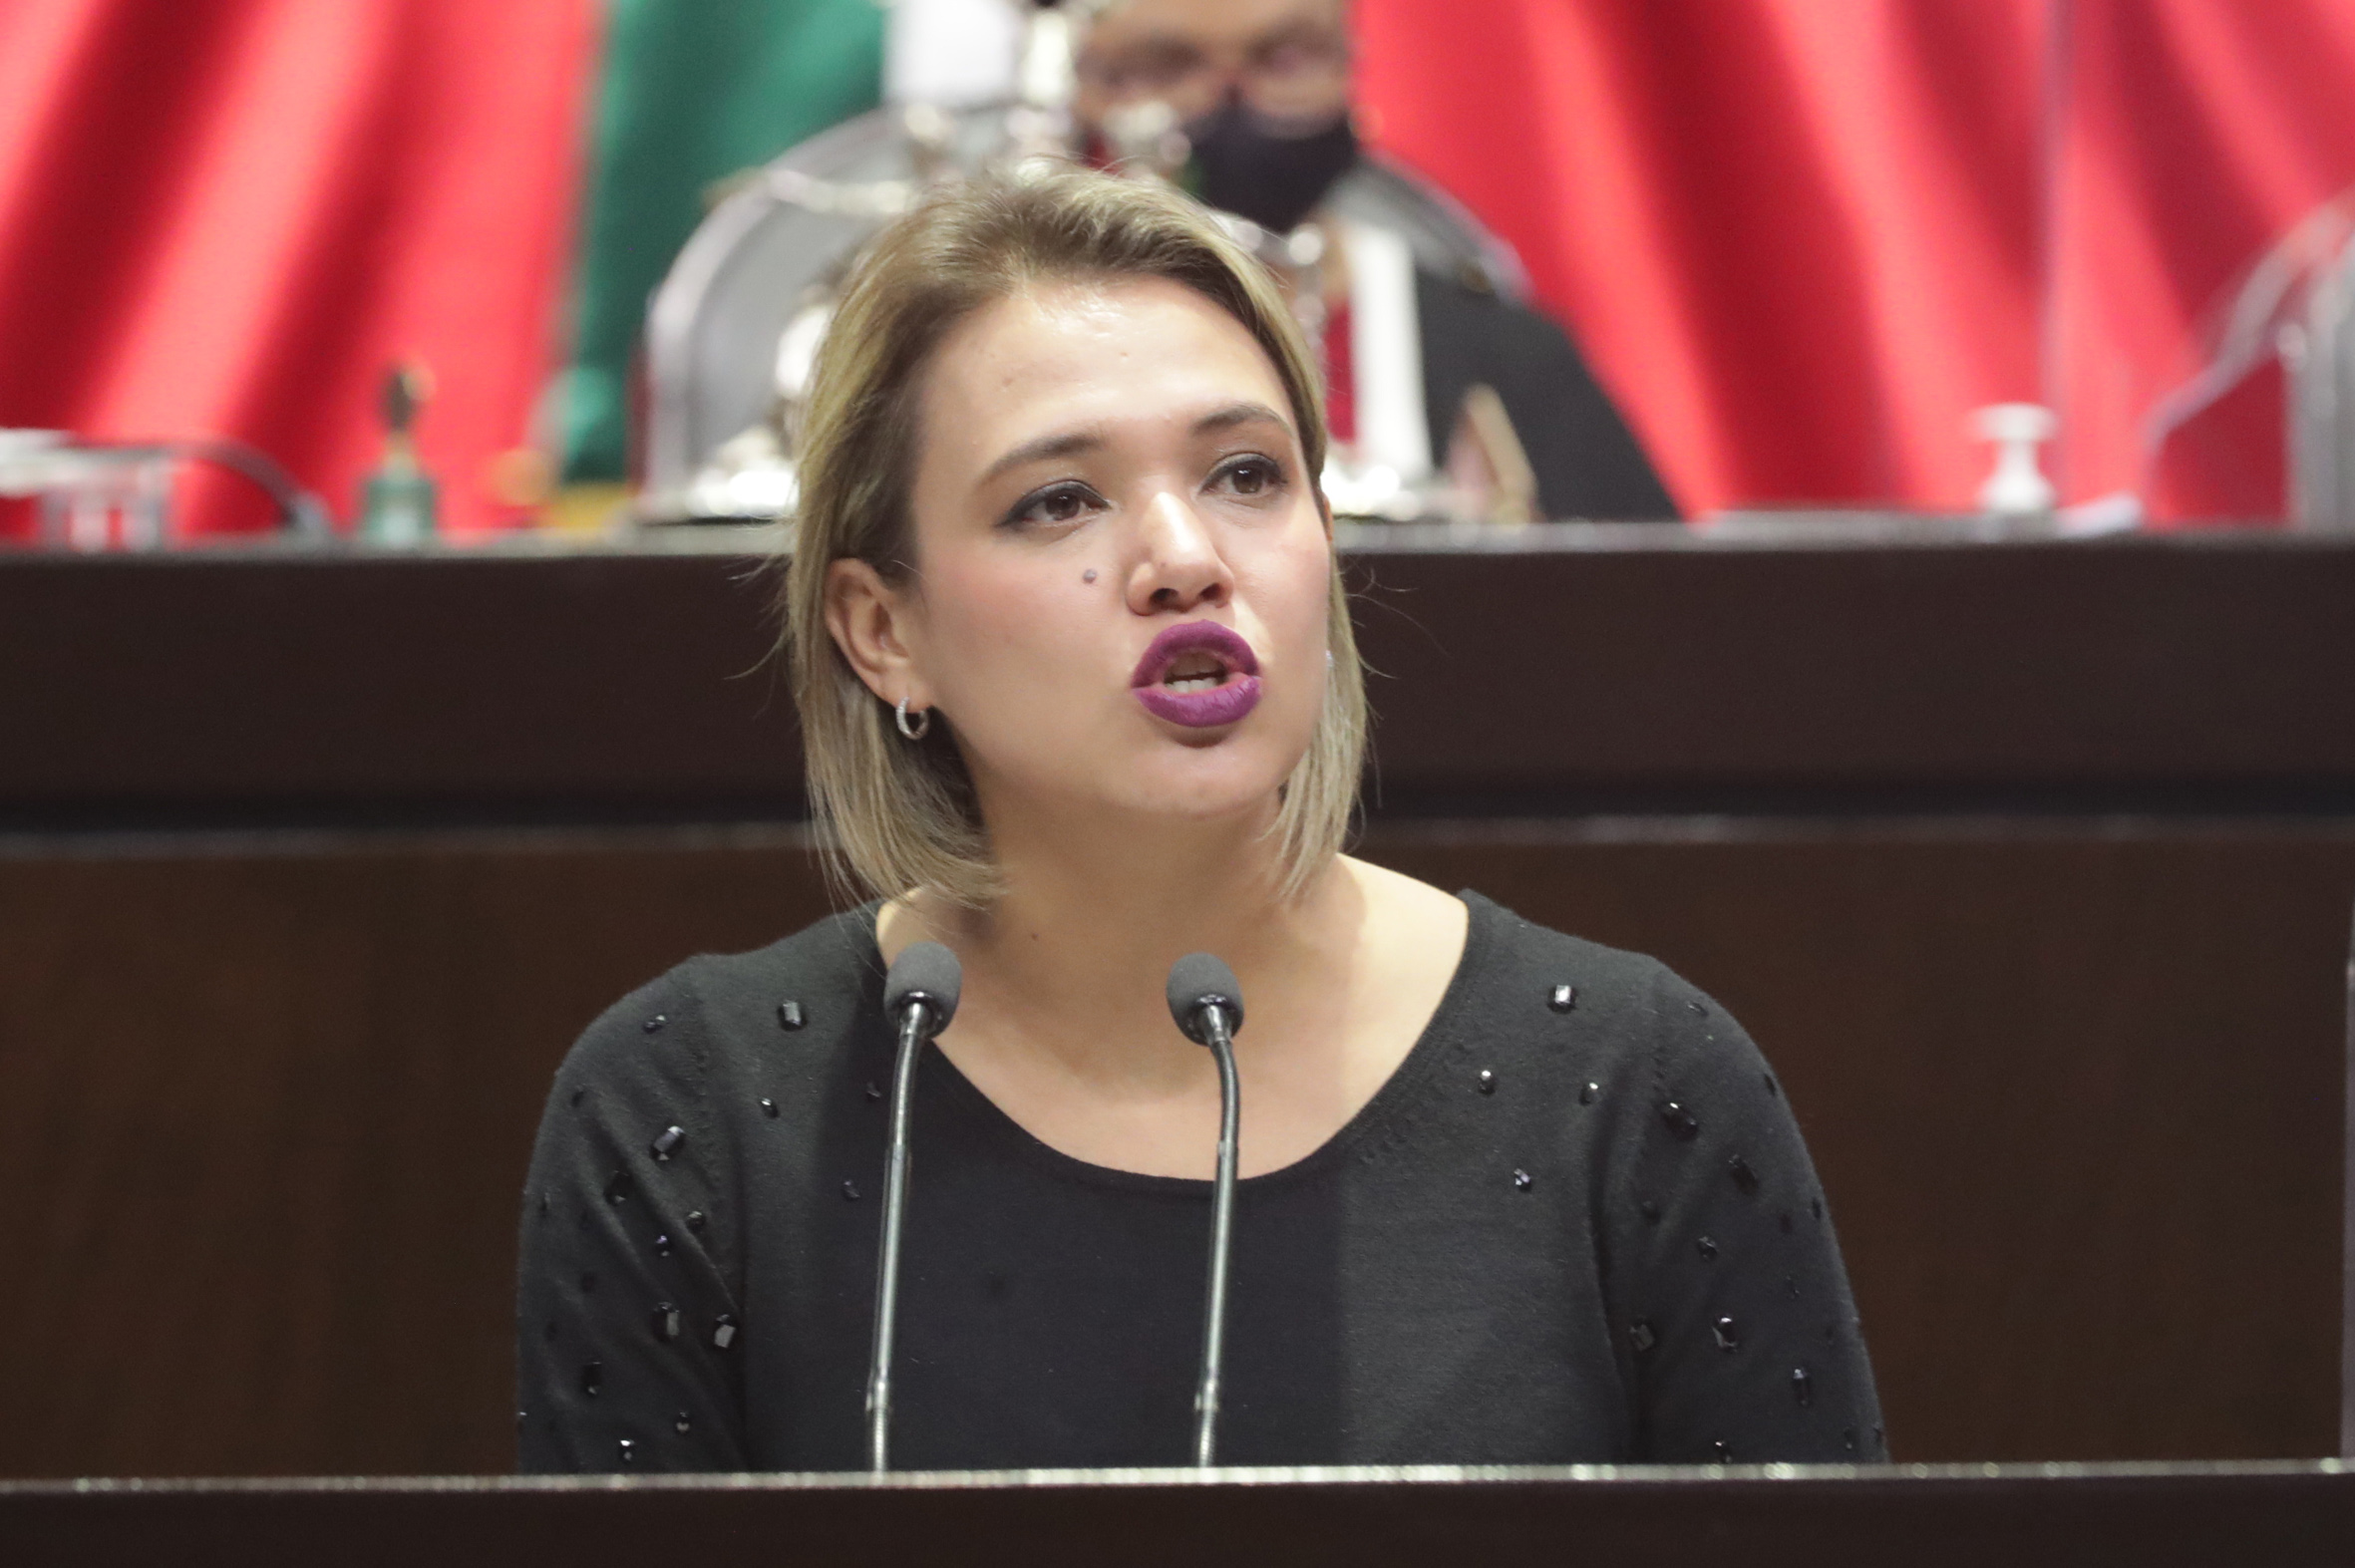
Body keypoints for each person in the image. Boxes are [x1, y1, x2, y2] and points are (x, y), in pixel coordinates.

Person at [515, 167, 1879, 1472]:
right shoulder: (688, 1110)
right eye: (1059, 501)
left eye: (1245, 475)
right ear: (884, 630)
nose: (1185, 559)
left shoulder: (1635, 1085)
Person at [1073, 0, 1681, 520]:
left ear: (1348, 67)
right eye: (1164, 66)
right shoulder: (1030, 342)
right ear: (1082, 87)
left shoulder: (1502, 358)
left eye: (1287, 59)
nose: (1235, 102)